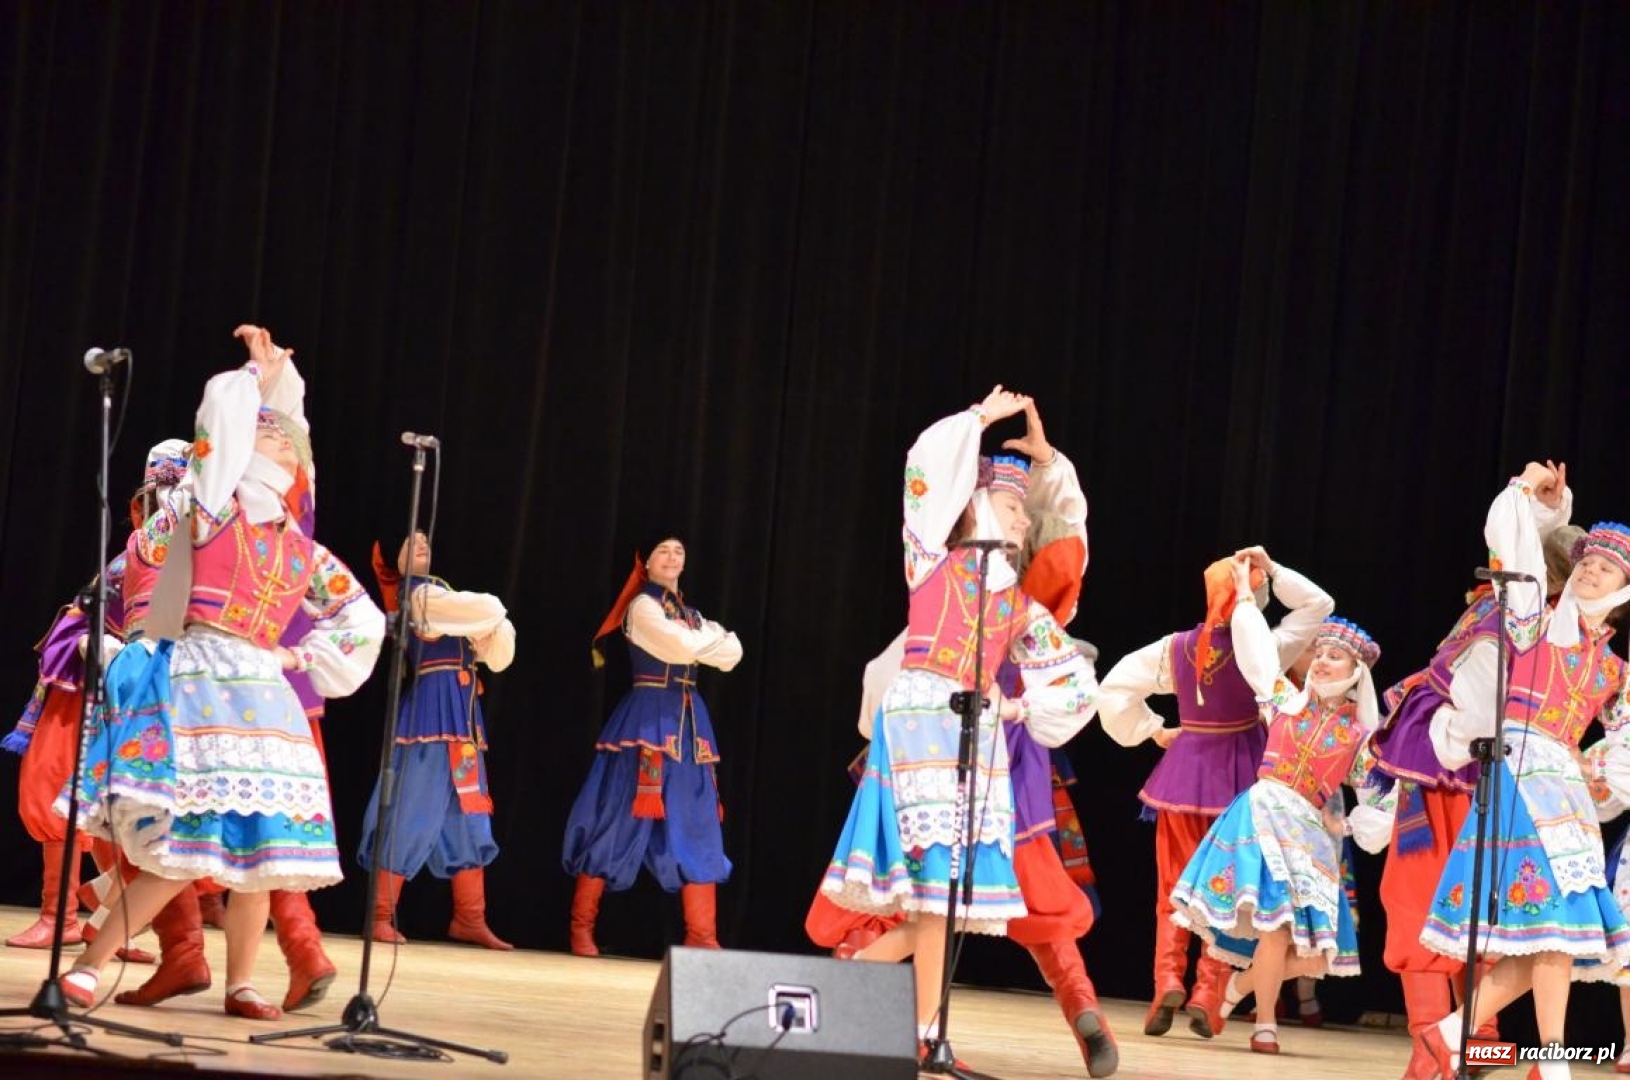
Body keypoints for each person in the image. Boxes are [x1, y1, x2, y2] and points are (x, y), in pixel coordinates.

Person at [54, 326, 384, 1020]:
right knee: (176, 848)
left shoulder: (302, 551)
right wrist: (259, 383)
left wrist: (299, 658)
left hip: (264, 698)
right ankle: (87, 965)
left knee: (259, 854)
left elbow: (364, 620)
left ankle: (242, 981)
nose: (280, 439)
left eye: (289, 439)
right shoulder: (208, 509)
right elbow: (219, 441)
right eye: (267, 433)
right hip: (198, 679)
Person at [818, 387, 1098, 1054]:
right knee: (934, 892)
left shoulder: (1020, 606)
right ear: (975, 505)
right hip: (921, 724)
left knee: (940, 902)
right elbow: (925, 474)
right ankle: (857, 1002)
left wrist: (1023, 706)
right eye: (1010, 507)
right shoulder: (932, 560)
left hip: (976, 739)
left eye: (1025, 514)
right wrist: (976, 420)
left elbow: (1072, 682)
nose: (1023, 522)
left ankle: (920, 1032)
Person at [1416, 462, 1630, 1080]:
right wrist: (1530, 496)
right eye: (1586, 562)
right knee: (1550, 927)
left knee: (1551, 934)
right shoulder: (1536, 616)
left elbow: (1623, 740)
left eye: (1606, 567)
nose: (1590, 569)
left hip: (1565, 790)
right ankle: (1551, 1067)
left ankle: (1452, 1034)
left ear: (1622, 591)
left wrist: (1602, 774)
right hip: (1519, 774)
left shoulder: (1611, 668)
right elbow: (1515, 549)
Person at [1367, 517, 1583, 1079]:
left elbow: (1483, 710)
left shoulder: (1508, 624)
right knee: (1486, 914)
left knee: (1426, 904)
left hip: (1463, 773)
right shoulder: (1521, 621)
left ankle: (1436, 1051)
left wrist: (1449, 736)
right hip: (1482, 777)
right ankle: (1479, 1043)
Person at [1096, 546, 1333, 1038]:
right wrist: (1272, 569)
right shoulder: (1268, 647)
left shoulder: (1175, 646)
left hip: (1183, 775)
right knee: (1230, 890)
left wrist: (1155, 731)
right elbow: (1318, 606)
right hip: (1242, 781)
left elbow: (1114, 688)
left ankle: (1166, 982)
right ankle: (1208, 992)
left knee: (1172, 888)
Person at [1168, 565, 1385, 1055]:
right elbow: (1256, 652)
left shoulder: (1360, 737)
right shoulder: (1285, 702)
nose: (1323, 662)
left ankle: (1235, 991)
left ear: (1356, 674)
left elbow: (1383, 795)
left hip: (1311, 835)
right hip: (1265, 815)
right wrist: (1246, 596)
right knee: (1274, 929)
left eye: (1335, 657)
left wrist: (1348, 823)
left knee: (1312, 959)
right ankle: (1265, 1023)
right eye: (1321, 654)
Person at [564, 532, 742, 955]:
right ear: (648, 563)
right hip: (646, 722)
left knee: (698, 822)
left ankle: (702, 935)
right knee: (619, 817)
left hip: (689, 727)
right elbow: (680, 645)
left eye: (679, 550)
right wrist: (705, 644)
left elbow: (734, 652)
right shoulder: (642, 607)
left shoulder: (691, 613)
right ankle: (581, 926)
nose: (672, 555)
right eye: (663, 549)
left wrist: (704, 643)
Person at [360, 530, 517, 950]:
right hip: (432, 713)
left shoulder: (443, 596)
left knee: (468, 814)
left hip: (463, 716)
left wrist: (490, 623)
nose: (423, 544)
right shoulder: (418, 596)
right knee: (411, 807)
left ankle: (469, 918)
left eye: (427, 540)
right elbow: (492, 610)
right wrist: (491, 619)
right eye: (410, 543)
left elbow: (500, 656)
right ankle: (378, 914)